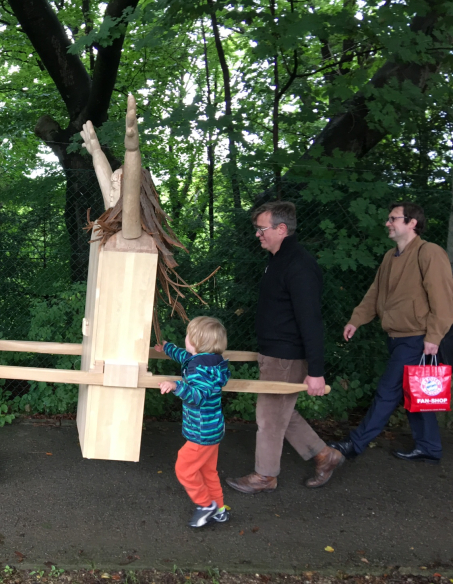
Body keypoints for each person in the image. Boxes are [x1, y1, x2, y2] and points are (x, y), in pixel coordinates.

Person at [226, 202, 344, 494]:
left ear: (281, 229)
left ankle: (265, 476)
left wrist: (316, 371)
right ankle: (324, 455)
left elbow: (311, 321)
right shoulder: (278, 260)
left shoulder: (299, 265)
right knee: (282, 412)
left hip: (286, 356)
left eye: (262, 228)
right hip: (274, 353)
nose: (258, 234)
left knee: (269, 417)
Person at [331, 202, 453, 464]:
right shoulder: (390, 256)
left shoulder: (430, 253)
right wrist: (357, 320)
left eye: (393, 219)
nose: (387, 223)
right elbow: (375, 293)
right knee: (415, 394)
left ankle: (355, 443)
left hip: (417, 339)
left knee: (388, 392)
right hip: (396, 338)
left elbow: (443, 300)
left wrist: (433, 337)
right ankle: (429, 447)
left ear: (412, 223)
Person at [155, 316, 231, 527]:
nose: (186, 338)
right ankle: (220, 510)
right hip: (214, 428)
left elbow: (199, 396)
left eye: (188, 335)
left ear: (198, 342)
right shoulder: (211, 361)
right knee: (208, 472)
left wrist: (176, 385)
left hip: (201, 431)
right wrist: (167, 348)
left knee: (184, 468)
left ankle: (206, 505)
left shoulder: (198, 370)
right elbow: (185, 356)